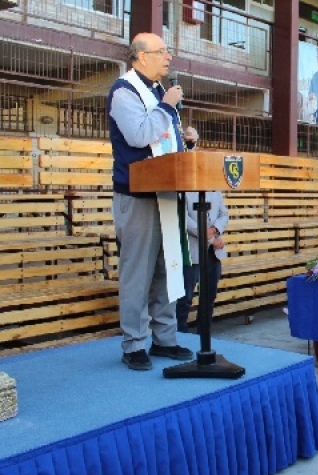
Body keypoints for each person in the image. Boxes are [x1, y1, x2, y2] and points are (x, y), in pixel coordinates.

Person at [108, 33, 196, 370]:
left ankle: (165, 339)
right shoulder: (123, 91)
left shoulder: (160, 92)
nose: (168, 57)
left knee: (167, 269)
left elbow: (161, 146)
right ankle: (133, 344)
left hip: (166, 193)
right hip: (138, 196)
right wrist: (168, 106)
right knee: (138, 272)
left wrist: (184, 141)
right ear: (141, 56)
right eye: (161, 52)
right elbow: (139, 136)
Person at [176, 191, 229, 336]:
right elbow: (183, 218)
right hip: (192, 252)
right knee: (185, 298)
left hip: (213, 254)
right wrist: (210, 237)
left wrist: (214, 229)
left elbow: (224, 214)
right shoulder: (184, 192)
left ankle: (204, 332)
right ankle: (180, 334)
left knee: (208, 296)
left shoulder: (216, 191)